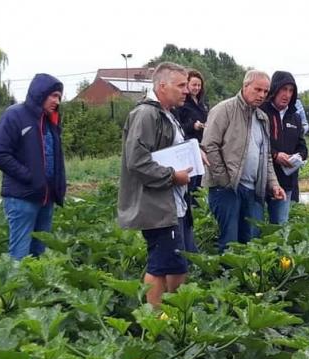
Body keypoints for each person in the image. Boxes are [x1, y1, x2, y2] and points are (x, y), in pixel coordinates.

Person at [118, 62, 194, 308]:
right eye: (181, 85)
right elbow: (137, 162)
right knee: (161, 265)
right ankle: (154, 321)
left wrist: (194, 152)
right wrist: (173, 176)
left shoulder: (166, 113)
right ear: (162, 85)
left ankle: (170, 313)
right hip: (157, 207)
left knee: (176, 264)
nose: (187, 90)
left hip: (172, 204)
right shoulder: (146, 114)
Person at [202, 70, 285, 250]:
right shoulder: (224, 110)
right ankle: (227, 278)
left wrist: (274, 184)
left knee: (252, 243)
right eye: (258, 90)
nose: (262, 95)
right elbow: (209, 146)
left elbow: (266, 158)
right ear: (245, 86)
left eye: (265, 91)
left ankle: (247, 278)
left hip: (253, 190)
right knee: (230, 243)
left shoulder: (262, 118)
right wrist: (224, 180)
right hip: (227, 189)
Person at [0, 73, 66, 259]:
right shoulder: (15, 115)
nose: (57, 101)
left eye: (59, 96)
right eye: (53, 96)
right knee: (20, 254)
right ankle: (16, 288)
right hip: (21, 198)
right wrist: (29, 176)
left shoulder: (51, 121)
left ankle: (36, 289)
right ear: (40, 94)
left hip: (46, 197)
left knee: (40, 252)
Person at [260, 71, 309, 224]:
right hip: (261, 180)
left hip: (285, 181)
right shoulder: (261, 111)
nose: (287, 94)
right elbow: (256, 143)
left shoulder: (294, 116)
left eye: (290, 90)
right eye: (283, 89)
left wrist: (299, 156)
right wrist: (275, 155)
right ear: (274, 89)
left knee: (280, 227)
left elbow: (302, 146)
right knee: (255, 227)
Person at [175, 69, 209, 251]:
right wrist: (193, 125)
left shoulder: (202, 104)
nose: (195, 88)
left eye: (198, 85)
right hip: (188, 148)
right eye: (192, 85)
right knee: (191, 184)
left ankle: (198, 216)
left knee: (198, 184)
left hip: (200, 146)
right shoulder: (182, 104)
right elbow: (181, 127)